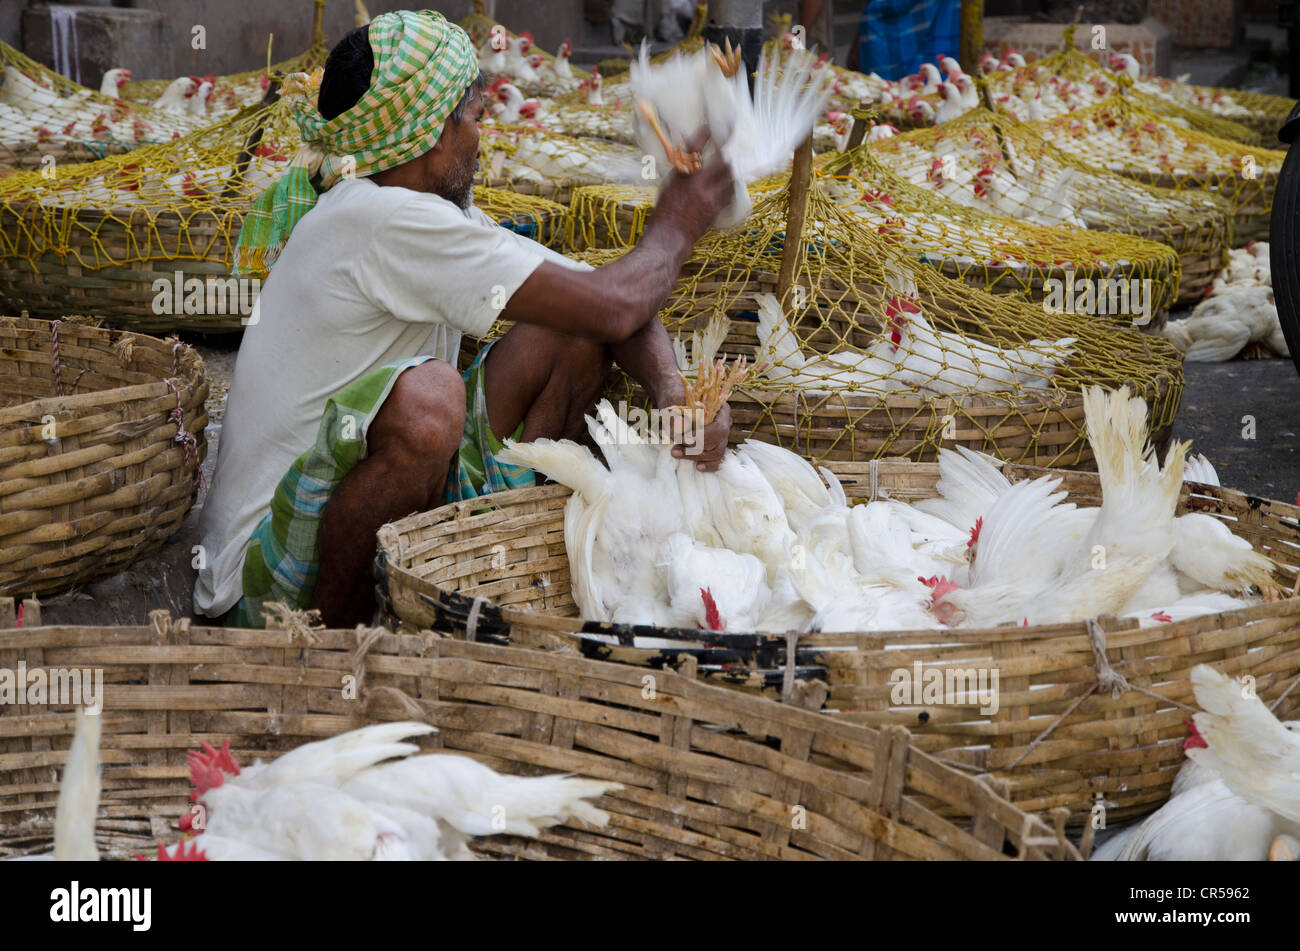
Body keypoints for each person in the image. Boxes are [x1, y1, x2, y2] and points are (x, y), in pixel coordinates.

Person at [194, 9, 735, 629]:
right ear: (429, 133)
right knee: (430, 401)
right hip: (264, 586)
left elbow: (602, 306)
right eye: (474, 118)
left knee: (571, 334)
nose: (483, 137)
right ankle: (339, 645)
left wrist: (672, 389)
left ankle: (480, 581)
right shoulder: (380, 220)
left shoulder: (421, 211)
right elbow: (619, 300)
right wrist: (680, 219)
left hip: (346, 512)